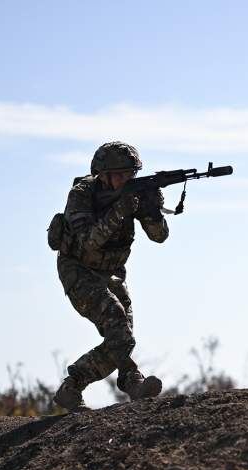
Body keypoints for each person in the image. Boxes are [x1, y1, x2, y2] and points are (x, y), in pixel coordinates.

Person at [51, 141, 168, 411]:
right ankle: (128, 382)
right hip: (77, 270)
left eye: (130, 174)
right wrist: (121, 211)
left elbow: (159, 237)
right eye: (119, 174)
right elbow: (89, 241)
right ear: (102, 175)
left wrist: (151, 211)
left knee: (123, 336)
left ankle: (87, 385)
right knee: (118, 326)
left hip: (112, 273)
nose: (125, 179)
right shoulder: (82, 194)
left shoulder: (131, 195)